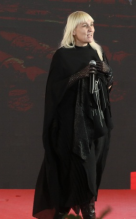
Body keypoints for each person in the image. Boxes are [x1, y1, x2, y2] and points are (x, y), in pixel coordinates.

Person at [33, 11, 114, 219]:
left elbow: (106, 89)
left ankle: (83, 210)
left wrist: (108, 73)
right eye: (85, 25)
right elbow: (54, 90)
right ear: (73, 30)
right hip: (70, 125)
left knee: (90, 170)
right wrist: (79, 75)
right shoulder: (62, 55)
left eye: (92, 24)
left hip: (94, 123)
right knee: (70, 169)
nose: (90, 29)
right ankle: (65, 211)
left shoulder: (97, 52)